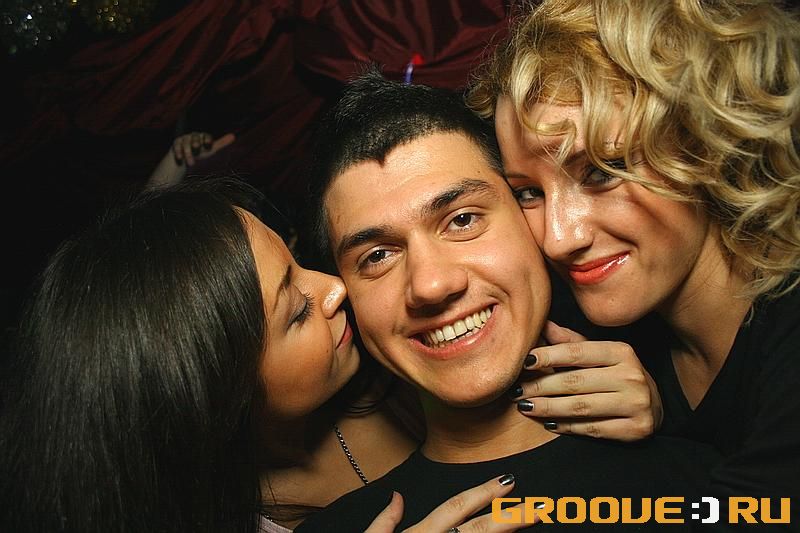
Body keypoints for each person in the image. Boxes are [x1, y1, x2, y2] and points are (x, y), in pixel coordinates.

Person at [295, 69, 720, 532]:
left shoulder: (720, 479)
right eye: (377, 256)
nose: (431, 284)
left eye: (462, 220)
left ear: (532, 219)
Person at [0, 178, 531, 533]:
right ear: (221, 397)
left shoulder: (400, 358)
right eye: (297, 312)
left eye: (297, 261)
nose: (335, 288)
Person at [467, 0, 800, 525]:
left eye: (602, 171)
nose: (558, 238)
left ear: (708, 142)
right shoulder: (589, 331)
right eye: (528, 192)